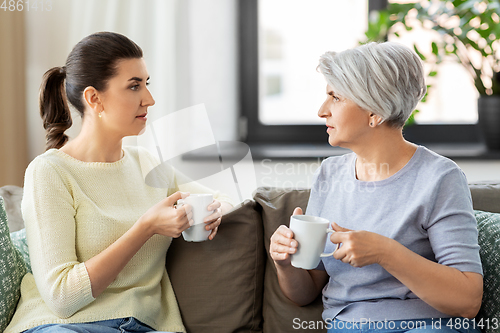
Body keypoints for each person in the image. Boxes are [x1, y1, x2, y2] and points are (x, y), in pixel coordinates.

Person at [5, 32, 233, 333]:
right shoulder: (49, 172)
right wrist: (145, 227)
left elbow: (226, 198)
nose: (149, 99)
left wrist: (213, 213)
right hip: (64, 325)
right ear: (94, 98)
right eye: (134, 86)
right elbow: (61, 297)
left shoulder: (148, 164)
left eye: (146, 84)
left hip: (144, 325)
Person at [270, 42, 483, 333]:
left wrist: (385, 253)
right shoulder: (329, 175)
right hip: (349, 326)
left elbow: (468, 301)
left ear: (375, 112)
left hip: (428, 326)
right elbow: (305, 293)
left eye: (335, 97)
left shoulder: (440, 177)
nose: (322, 111)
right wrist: (285, 262)